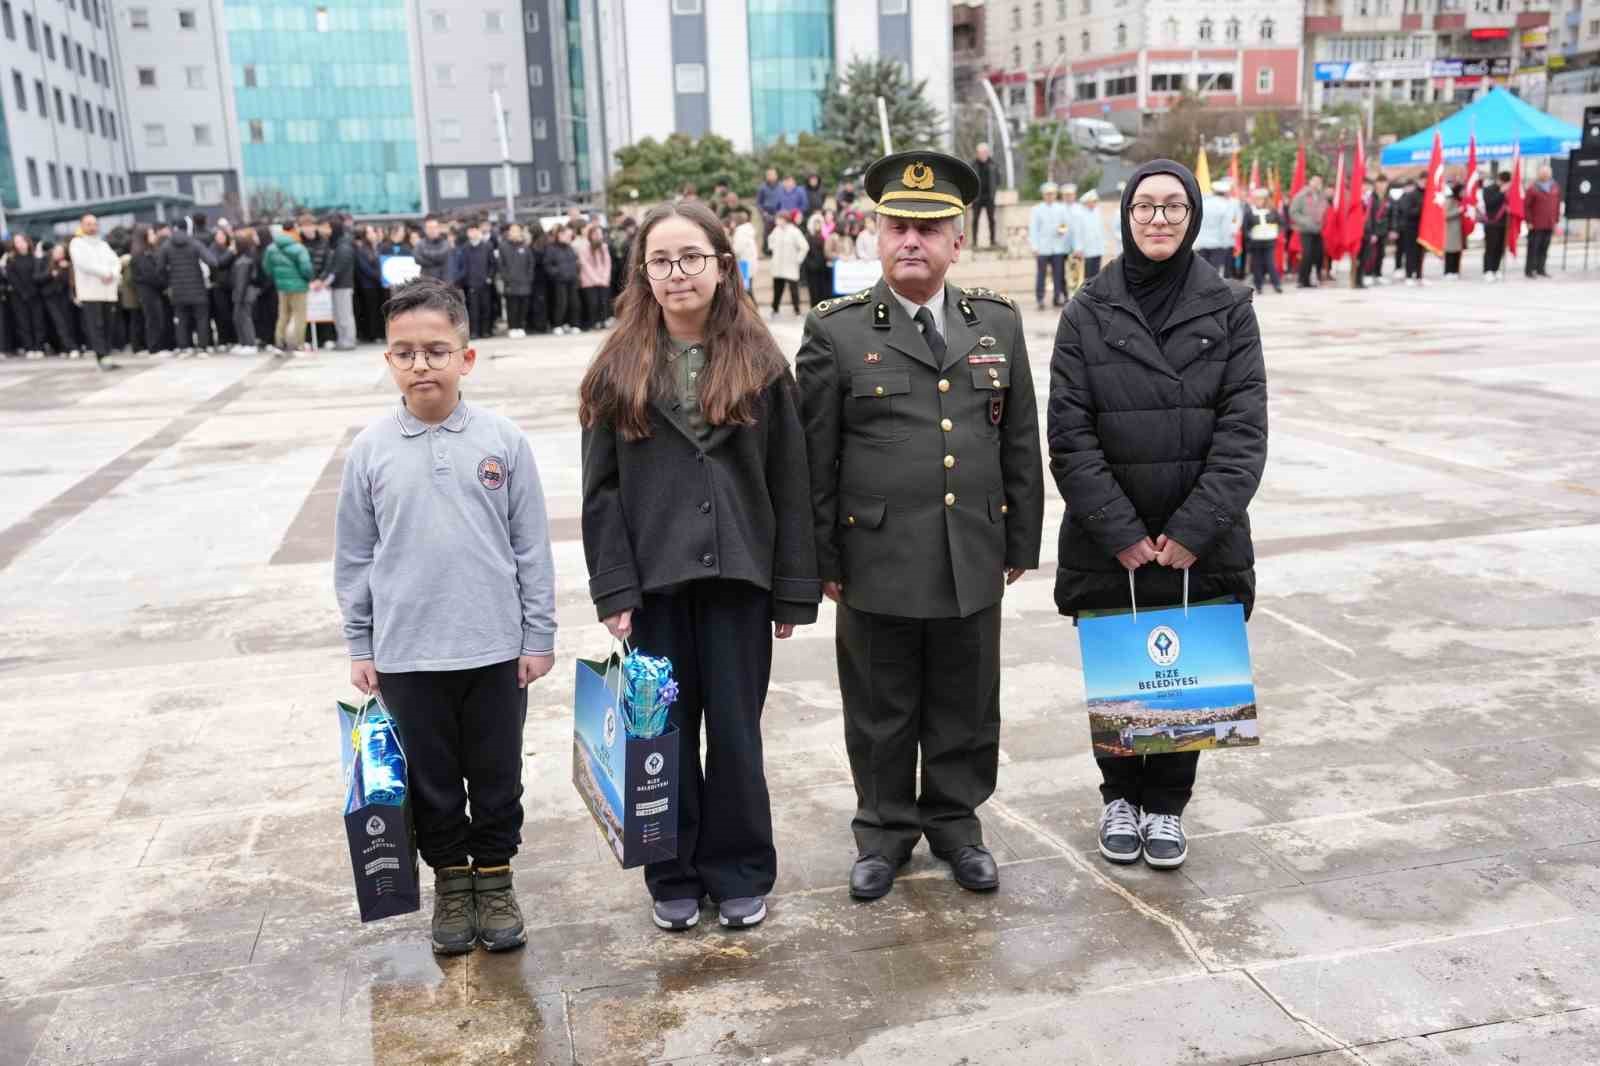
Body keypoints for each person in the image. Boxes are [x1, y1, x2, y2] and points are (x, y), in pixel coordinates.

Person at [796, 150, 1045, 902]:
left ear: (957, 243)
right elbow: (813, 458)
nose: (913, 240)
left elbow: (1019, 441)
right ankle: (883, 832)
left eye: (930, 229)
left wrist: (1019, 542)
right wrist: (821, 558)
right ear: (874, 234)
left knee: (966, 700)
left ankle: (957, 825)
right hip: (875, 557)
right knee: (881, 704)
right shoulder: (835, 332)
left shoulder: (995, 322)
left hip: (971, 549)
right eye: (899, 226)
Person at [578, 200, 819, 932]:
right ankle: (672, 867)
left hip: (740, 583)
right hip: (656, 586)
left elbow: (790, 481)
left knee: (738, 733)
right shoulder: (617, 368)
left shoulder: (761, 362)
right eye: (661, 260)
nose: (677, 273)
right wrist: (614, 586)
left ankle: (740, 866)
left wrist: (792, 590)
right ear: (642, 273)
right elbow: (601, 492)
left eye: (691, 258)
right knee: (663, 732)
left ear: (722, 264)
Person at [1047, 158, 1267, 872]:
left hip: (1198, 535)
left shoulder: (1230, 305)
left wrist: (1194, 529)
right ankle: (1119, 795)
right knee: (1120, 671)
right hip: (1112, 535)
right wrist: (1122, 532)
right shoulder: (1088, 308)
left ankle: (1167, 807)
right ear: (1125, 214)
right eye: (1146, 206)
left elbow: (1244, 431)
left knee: (1185, 670)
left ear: (1195, 215)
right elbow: (1069, 433)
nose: (1160, 218)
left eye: (1175, 206)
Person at [336, 276, 556, 956]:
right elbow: (354, 555)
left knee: (496, 776)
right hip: (407, 656)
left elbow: (531, 545)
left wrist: (538, 634)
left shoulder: (502, 440)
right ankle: (451, 887)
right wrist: (361, 641)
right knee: (431, 783)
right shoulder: (370, 449)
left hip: (494, 649)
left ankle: (495, 881)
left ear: (467, 357)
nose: (421, 364)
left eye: (437, 349)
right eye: (405, 352)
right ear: (387, 361)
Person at [68, 213, 122, 371]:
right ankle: (102, 357)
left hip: (107, 291)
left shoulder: (103, 244)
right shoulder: (77, 243)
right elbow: (84, 264)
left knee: (108, 325)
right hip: (90, 292)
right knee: (95, 326)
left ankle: (108, 356)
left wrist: (112, 273)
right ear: (82, 226)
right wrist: (105, 273)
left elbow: (115, 261)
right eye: (88, 224)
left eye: (94, 224)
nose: (92, 227)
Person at [158, 219, 218, 356]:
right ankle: (203, 348)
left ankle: (184, 347)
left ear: (174, 228)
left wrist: (169, 281)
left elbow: (160, 268)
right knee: (201, 319)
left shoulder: (167, 245)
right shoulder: (195, 243)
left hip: (177, 289)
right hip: (198, 287)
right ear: (187, 228)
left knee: (181, 319)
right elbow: (213, 262)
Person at [263, 219, 314, 357]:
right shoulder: (299, 248)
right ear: (294, 229)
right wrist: (309, 279)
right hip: (299, 286)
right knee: (299, 316)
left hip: (281, 287)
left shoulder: (271, 248)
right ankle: (299, 345)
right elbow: (307, 269)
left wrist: (278, 278)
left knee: (283, 315)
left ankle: (280, 345)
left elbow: (267, 268)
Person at [1028, 182, 1073, 311]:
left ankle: (1057, 297)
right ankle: (1040, 298)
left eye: (1052, 194)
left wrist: (1062, 231)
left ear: (1055, 195)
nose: (1050, 196)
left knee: (1058, 274)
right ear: (1043, 195)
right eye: (1048, 194)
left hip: (1058, 247)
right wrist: (1034, 246)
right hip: (1042, 248)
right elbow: (1033, 230)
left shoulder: (1061, 208)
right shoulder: (1037, 209)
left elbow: (1065, 224)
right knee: (1041, 274)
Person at [318, 219, 357, 349]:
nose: (325, 231)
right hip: (337, 285)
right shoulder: (335, 244)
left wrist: (325, 282)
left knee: (344, 315)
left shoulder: (343, 246)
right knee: (338, 315)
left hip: (343, 286)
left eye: (327, 227)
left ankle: (348, 341)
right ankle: (342, 340)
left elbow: (338, 268)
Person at [766, 209, 808, 319]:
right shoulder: (776, 230)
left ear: (785, 219)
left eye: (779, 219)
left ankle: (797, 312)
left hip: (790, 266)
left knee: (794, 290)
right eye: (777, 219)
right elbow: (770, 241)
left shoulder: (794, 231)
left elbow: (804, 247)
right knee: (777, 289)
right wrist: (773, 249)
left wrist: (798, 260)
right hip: (778, 266)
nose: (777, 221)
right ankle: (775, 310)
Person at [1242, 186, 1284, 294]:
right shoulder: (1249, 211)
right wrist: (1249, 238)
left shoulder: (1272, 211)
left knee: (1270, 263)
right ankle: (1259, 286)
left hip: (1269, 241)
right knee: (1257, 264)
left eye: (1261, 199)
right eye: (1257, 199)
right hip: (1255, 243)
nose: (1259, 201)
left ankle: (1277, 285)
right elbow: (1245, 228)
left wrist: (1278, 233)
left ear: (1265, 200)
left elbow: (1281, 223)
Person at [41, 245, 81, 358]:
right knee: (60, 324)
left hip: (64, 298)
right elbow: (38, 278)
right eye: (56, 251)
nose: (58, 254)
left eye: (61, 252)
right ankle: (71, 347)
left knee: (68, 323)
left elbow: (70, 283)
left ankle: (66, 347)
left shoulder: (68, 265)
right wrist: (51, 274)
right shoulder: (45, 262)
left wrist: (66, 269)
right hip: (51, 298)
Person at [458, 224, 496, 339]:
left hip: (485, 283)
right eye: (471, 230)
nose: (473, 233)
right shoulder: (464, 248)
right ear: (468, 233)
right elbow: (462, 266)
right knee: (473, 309)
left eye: (475, 230)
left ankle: (486, 331)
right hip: (470, 283)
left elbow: (492, 264)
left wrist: (489, 277)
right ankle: (474, 331)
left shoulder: (487, 246)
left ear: (479, 232)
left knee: (486, 307)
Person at [1289, 175, 1327, 289]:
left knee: (1318, 255)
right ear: (1310, 182)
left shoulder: (1321, 196)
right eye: (1314, 181)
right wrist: (1305, 221)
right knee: (1307, 255)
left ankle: (1311, 279)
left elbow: (1325, 209)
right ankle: (1302, 280)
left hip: (1318, 229)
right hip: (1306, 230)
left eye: (1319, 181)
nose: (1316, 184)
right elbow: (1293, 212)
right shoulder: (1302, 195)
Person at [542, 225, 580, 335]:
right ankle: (557, 324)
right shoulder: (551, 248)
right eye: (567, 235)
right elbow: (547, 265)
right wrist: (557, 274)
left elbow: (575, 263)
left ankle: (573, 324)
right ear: (560, 235)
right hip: (559, 281)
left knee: (574, 303)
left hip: (572, 280)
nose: (569, 237)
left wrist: (575, 274)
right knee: (560, 303)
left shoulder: (570, 248)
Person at [499, 223, 536, 338]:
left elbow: (531, 264)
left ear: (520, 232)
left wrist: (529, 278)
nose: (515, 233)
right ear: (509, 232)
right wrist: (506, 278)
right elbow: (501, 265)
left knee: (523, 306)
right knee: (512, 306)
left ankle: (520, 326)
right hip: (511, 283)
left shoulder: (525, 247)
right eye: (512, 230)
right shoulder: (503, 246)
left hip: (524, 282)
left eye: (517, 230)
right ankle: (512, 327)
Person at [229, 229, 261, 355]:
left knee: (244, 318)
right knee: (239, 318)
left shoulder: (243, 261)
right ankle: (244, 343)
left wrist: (239, 298)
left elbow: (241, 282)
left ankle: (250, 343)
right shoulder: (244, 258)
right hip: (243, 294)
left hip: (244, 295)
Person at [1525, 165, 1560, 279]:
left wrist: (1556, 220)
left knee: (1545, 248)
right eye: (1543, 172)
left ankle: (1541, 269)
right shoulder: (1532, 188)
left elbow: (1557, 205)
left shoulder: (1554, 186)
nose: (1545, 174)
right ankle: (1530, 270)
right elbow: (1527, 206)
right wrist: (1529, 221)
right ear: (1539, 174)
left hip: (1549, 223)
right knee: (1533, 248)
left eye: (1547, 172)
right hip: (1536, 224)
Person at [576, 223, 613, 330]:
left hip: (603, 280)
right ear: (591, 235)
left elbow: (607, 263)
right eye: (596, 234)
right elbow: (585, 265)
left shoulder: (604, 247)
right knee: (593, 303)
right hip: (589, 281)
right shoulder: (584, 248)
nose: (599, 236)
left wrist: (605, 277)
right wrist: (596, 279)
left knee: (603, 302)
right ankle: (594, 322)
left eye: (600, 234)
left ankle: (603, 320)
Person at [1356, 176, 1389, 289]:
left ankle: (1361, 279)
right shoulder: (1359, 198)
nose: (1366, 188)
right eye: (1364, 185)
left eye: (1367, 186)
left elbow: (1373, 217)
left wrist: (1374, 232)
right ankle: (1360, 277)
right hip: (1359, 231)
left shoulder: (1370, 199)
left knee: (1367, 255)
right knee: (1362, 256)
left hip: (1370, 231)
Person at [1196, 177, 1235, 275]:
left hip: (1202, 242)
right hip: (1218, 243)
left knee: (1202, 271)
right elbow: (1225, 228)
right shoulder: (1227, 205)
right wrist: (1227, 243)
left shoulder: (1203, 202)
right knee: (1214, 271)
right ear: (1226, 192)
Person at [354, 226, 385, 343]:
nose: (374, 234)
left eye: (374, 232)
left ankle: (380, 333)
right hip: (368, 285)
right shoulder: (362, 249)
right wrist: (378, 276)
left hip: (379, 284)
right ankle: (372, 334)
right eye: (371, 232)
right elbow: (364, 267)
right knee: (370, 310)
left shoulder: (378, 247)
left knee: (379, 309)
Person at [208, 227, 237, 348]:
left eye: (223, 235)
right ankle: (223, 340)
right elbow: (219, 262)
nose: (221, 238)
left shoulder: (230, 247)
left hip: (231, 286)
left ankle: (234, 338)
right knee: (222, 314)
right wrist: (230, 252)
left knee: (232, 313)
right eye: (218, 235)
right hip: (219, 286)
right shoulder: (213, 249)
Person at [1481, 170, 1509, 282]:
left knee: (1500, 249)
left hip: (1504, 224)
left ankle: (1496, 269)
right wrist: (1501, 192)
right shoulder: (1488, 189)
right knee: (1490, 248)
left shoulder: (1509, 191)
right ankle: (1487, 270)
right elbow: (1490, 203)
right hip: (1492, 224)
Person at [1396, 177, 1425, 285]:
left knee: (1420, 253)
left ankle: (1418, 275)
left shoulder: (1425, 194)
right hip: (1409, 228)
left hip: (1421, 228)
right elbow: (1406, 212)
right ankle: (1408, 275)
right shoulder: (1408, 196)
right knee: (1409, 253)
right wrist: (1421, 209)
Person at [969, 143, 999, 247]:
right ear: (977, 153)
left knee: (992, 219)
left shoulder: (993, 164)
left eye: (985, 152)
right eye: (981, 152)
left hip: (989, 197)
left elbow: (998, 179)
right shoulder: (973, 165)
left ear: (988, 153)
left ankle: (993, 241)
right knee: (975, 220)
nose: (983, 154)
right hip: (977, 197)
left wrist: (994, 191)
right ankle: (974, 242)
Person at [1075, 189, 1107, 280]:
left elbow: (1100, 230)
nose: (1093, 204)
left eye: (1095, 201)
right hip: (1086, 250)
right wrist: (1078, 248)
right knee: (1087, 274)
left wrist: (1103, 244)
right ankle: (1086, 292)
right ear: (1086, 202)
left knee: (1096, 273)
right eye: (1091, 202)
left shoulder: (1097, 213)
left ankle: (1094, 292)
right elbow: (1078, 233)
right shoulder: (1080, 214)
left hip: (1097, 248)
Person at [802, 212, 831, 307]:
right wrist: (810, 264)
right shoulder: (808, 237)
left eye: (819, 223)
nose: (818, 225)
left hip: (822, 268)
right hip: (811, 268)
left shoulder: (824, 237)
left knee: (822, 290)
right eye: (816, 223)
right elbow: (805, 252)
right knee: (813, 290)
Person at [413, 216, 453, 282]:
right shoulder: (420, 244)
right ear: (425, 229)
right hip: (425, 282)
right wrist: (436, 262)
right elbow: (417, 259)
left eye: (435, 227)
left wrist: (425, 253)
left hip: (442, 282)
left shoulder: (445, 244)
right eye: (430, 228)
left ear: (439, 228)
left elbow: (441, 256)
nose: (432, 230)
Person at [1443, 183, 1464, 279]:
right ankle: (1448, 271)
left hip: (1459, 230)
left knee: (1457, 251)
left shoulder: (1461, 201)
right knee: (1450, 251)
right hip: (1451, 230)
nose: (1464, 193)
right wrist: (1458, 211)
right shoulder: (1450, 200)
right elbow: (1445, 215)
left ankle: (1456, 271)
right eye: (1463, 191)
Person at [756, 167, 784, 240]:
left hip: (780, 214)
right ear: (766, 176)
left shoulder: (782, 186)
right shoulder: (762, 188)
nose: (770, 176)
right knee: (768, 236)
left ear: (776, 175)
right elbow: (758, 203)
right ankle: (767, 250)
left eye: (772, 174)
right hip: (767, 215)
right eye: (768, 175)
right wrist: (764, 213)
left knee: (781, 234)